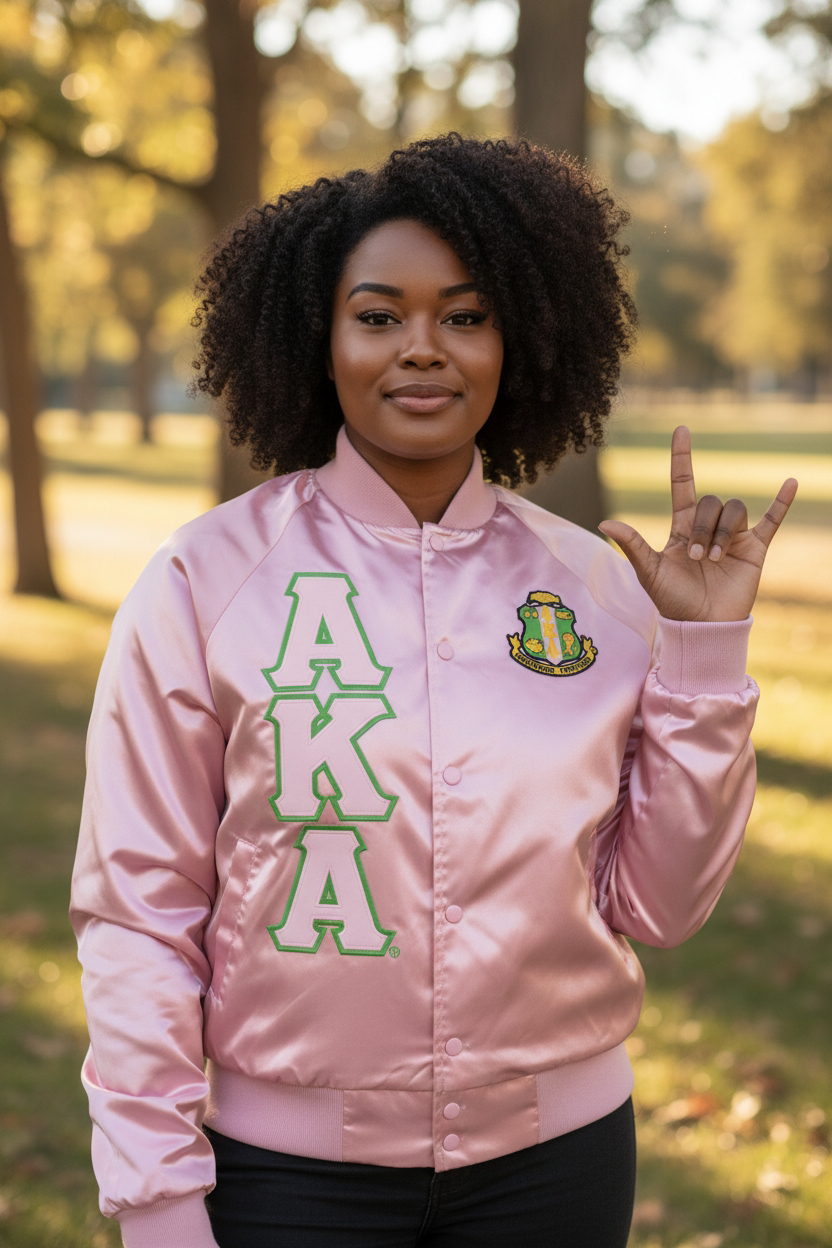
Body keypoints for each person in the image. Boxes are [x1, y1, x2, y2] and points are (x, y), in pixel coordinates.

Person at [70, 134, 796, 1248]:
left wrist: (701, 656)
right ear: (316, 339)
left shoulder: (597, 588)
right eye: (377, 316)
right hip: (285, 1181)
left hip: (558, 1172)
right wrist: (159, 1198)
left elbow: (661, 906)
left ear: (521, 338)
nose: (423, 350)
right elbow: (138, 918)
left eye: (464, 315)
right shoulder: (202, 584)